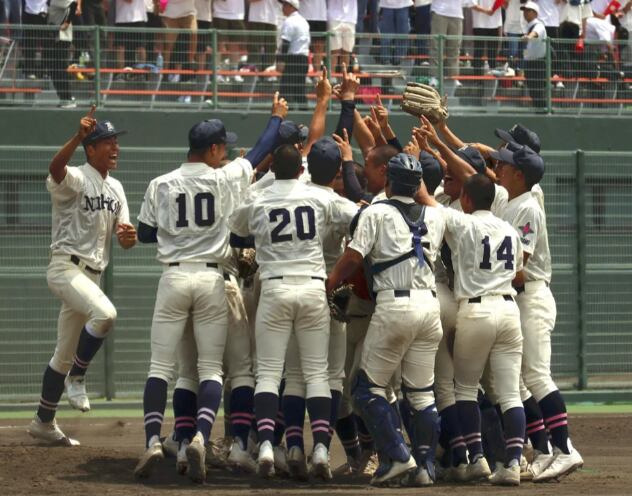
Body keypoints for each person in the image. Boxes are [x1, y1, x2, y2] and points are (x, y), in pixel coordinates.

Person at [133, 93, 288, 483]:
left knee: (160, 367)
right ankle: (202, 436)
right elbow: (261, 151)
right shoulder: (223, 177)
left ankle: (154, 440)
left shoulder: (160, 183)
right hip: (211, 278)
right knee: (211, 370)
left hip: (172, 276)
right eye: (223, 148)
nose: (226, 154)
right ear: (214, 148)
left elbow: (146, 233)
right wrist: (275, 117)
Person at [229, 143, 353, 481]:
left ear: (274, 170)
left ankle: (268, 445)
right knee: (317, 374)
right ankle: (323, 451)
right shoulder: (320, 197)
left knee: (269, 373)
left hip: (274, 286)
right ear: (301, 171)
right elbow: (358, 218)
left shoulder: (259, 198)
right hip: (314, 287)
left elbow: (237, 230)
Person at [327, 153, 445, 486]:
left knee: (365, 390)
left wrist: (331, 282)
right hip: (429, 307)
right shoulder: (436, 216)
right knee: (421, 395)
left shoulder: (375, 212)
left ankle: (396, 456)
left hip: (395, 306)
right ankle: (424, 468)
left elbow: (353, 257)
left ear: (389, 180)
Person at [27, 107, 136, 446]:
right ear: (91, 148)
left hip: (92, 276)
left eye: (116, 141)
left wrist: (127, 238)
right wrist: (77, 136)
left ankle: (43, 422)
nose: (115, 147)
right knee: (106, 314)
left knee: (62, 352)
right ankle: (78, 377)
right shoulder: (77, 175)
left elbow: (124, 237)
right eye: (107, 142)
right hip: (65, 267)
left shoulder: (116, 187)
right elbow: (55, 168)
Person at [420, 173, 527, 486]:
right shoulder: (509, 229)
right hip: (509, 309)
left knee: (464, 388)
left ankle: (477, 458)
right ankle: (513, 464)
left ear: (466, 198)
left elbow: (426, 200)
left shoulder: (463, 222)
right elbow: (519, 274)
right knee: (509, 394)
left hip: (476, 309)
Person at [491, 143, 584, 482]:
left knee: (538, 376)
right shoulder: (511, 202)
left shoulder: (528, 206)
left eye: (504, 165)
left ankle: (564, 449)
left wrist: (482, 275)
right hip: (520, 298)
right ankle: (548, 451)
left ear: (520, 174)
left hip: (531, 295)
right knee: (528, 378)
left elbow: (519, 267)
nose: (497, 168)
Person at [46, 0, 81, 108]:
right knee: (53, 69)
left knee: (60, 69)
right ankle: (63, 97)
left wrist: (67, 22)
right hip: (54, 38)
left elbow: (74, 4)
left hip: (62, 38)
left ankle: (68, 98)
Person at [277, 0, 310, 107]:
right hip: (304, 59)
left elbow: (286, 42)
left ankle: (284, 115)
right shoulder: (304, 21)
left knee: (285, 90)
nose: (283, 7)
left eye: (285, 4)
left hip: (293, 59)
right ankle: (305, 113)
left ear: (291, 6)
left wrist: (281, 61)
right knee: (299, 90)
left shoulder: (290, 21)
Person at [430, 0, 464, 88]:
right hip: (439, 12)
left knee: (454, 48)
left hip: (457, 14)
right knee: (436, 47)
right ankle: (434, 77)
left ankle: (452, 77)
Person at [521, 1, 548, 110]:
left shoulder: (539, 25)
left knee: (538, 90)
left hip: (538, 63)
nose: (525, 13)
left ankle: (543, 111)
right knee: (533, 90)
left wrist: (529, 37)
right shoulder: (528, 26)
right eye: (524, 11)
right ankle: (539, 110)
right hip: (531, 63)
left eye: (528, 11)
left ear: (535, 13)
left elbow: (536, 33)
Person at [379, 0, 413, 67]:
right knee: (386, 36)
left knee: (402, 35)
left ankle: (399, 60)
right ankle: (385, 60)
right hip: (386, 5)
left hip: (404, 4)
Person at [327, 0, 357, 72]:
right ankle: (332, 77)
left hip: (350, 18)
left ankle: (343, 79)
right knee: (334, 50)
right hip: (334, 16)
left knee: (346, 51)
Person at [21, 0, 49, 79]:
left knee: (46, 42)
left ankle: (44, 71)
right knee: (30, 43)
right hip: (29, 12)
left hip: (43, 12)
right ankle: (29, 71)